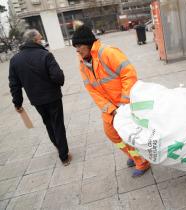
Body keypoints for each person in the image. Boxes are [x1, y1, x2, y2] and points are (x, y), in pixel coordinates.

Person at [71, 22, 150, 177]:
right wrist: (110, 109)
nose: (78, 50)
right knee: (112, 134)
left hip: (126, 103)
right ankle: (134, 156)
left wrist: (124, 102)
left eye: (79, 46)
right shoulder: (82, 63)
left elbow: (129, 73)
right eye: (76, 47)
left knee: (133, 132)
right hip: (111, 107)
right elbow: (91, 89)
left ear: (88, 43)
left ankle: (142, 161)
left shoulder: (107, 52)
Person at [9, 29, 71, 166]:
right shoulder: (45, 55)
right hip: (53, 97)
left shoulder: (15, 60)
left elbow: (14, 85)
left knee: (48, 123)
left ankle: (58, 145)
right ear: (35, 40)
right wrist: (58, 81)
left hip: (36, 100)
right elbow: (58, 77)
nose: (42, 41)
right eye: (40, 39)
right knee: (57, 124)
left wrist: (17, 103)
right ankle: (64, 155)